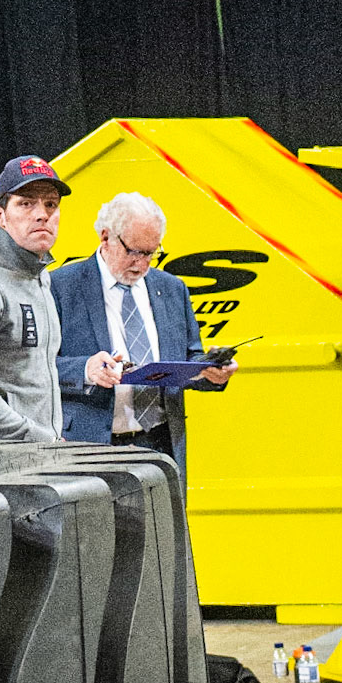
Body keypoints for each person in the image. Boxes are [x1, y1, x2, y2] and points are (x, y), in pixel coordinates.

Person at [53, 191, 235, 474]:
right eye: (134, 252)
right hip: (91, 446)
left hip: (161, 446)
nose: (142, 264)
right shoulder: (61, 287)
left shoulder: (172, 289)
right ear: (105, 237)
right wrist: (85, 370)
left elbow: (188, 358)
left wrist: (209, 371)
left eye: (151, 253)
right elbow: (34, 367)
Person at [0, 155, 71, 443]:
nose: (42, 214)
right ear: (0, 215)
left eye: (51, 204)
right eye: (26, 203)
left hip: (35, 456)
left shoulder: (40, 276)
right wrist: (36, 438)